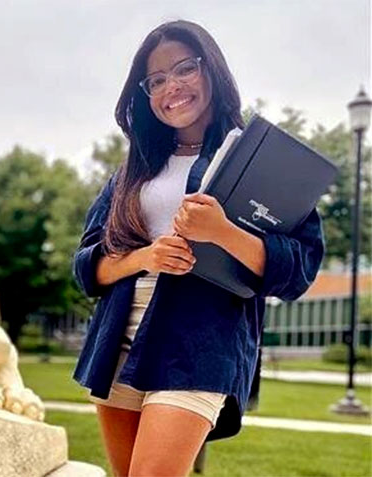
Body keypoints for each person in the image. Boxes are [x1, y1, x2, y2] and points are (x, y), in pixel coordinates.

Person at [71, 19, 325, 476]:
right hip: (117, 346)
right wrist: (144, 258)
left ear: (212, 71)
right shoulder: (132, 172)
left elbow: (299, 270)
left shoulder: (261, 162)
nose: (173, 86)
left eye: (185, 68)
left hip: (198, 350)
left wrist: (222, 230)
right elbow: (87, 268)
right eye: (157, 79)